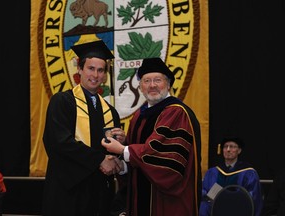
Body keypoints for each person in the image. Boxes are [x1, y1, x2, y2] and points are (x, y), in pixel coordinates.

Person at [101, 57, 202, 216]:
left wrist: (124, 149)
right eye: (146, 81)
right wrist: (122, 166)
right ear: (140, 87)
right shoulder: (138, 117)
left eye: (157, 80)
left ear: (168, 84)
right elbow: (138, 164)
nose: (152, 85)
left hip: (167, 203)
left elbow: (165, 160)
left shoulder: (176, 113)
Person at [42, 40, 125, 216]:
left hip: (100, 194)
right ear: (79, 69)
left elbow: (109, 152)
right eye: (90, 68)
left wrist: (119, 149)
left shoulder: (111, 112)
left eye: (100, 70)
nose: (95, 75)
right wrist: (99, 160)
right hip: (69, 192)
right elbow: (59, 143)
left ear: (104, 75)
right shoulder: (62, 102)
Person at [199, 136, 263, 216]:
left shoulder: (248, 172)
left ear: (239, 150)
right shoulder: (213, 172)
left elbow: (253, 198)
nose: (228, 150)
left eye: (232, 147)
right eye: (225, 147)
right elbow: (205, 194)